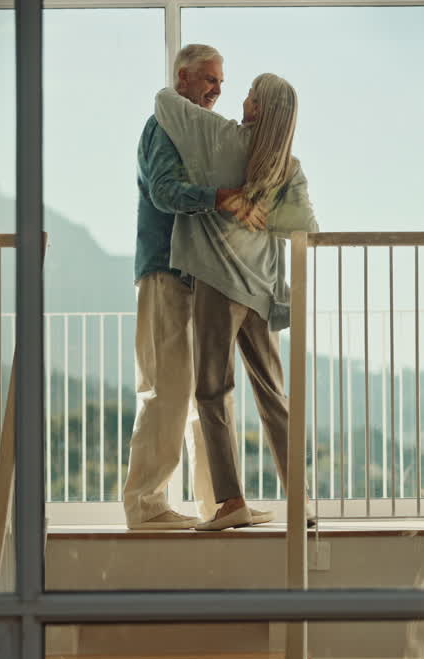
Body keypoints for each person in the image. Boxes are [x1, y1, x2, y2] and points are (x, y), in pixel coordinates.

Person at [151, 73, 319, 531]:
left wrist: (187, 82)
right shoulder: (289, 166)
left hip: (218, 284)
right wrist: (260, 207)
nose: (238, 98)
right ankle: (300, 500)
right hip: (262, 291)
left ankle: (230, 502)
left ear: (257, 108)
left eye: (248, 93)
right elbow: (305, 225)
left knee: (211, 390)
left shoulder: (220, 138)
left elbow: (165, 101)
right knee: (273, 396)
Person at [123, 44, 246, 530]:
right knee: (167, 390)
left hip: (198, 276)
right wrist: (218, 197)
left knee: (208, 394)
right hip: (165, 271)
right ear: (183, 79)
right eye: (210, 79)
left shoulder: (197, 134)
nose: (218, 89)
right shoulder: (164, 126)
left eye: (221, 81)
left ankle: (219, 503)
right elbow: (164, 191)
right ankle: (146, 507)